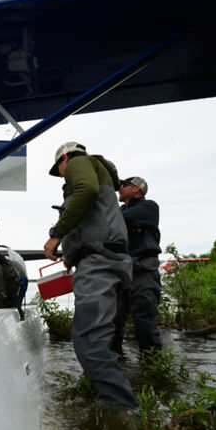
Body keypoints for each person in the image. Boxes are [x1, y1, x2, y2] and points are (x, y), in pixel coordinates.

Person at [43, 142, 139, 409]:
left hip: (98, 263)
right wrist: (74, 256)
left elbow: (87, 191)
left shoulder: (78, 163)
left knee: (88, 341)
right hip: (112, 260)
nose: (63, 174)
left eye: (59, 169)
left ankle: (122, 413)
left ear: (64, 158)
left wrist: (56, 237)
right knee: (104, 338)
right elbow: (96, 217)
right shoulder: (104, 173)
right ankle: (103, 394)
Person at [111, 176, 163, 355]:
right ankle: (115, 363)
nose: (119, 188)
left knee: (145, 322)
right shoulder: (120, 210)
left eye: (123, 185)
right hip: (120, 273)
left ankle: (152, 369)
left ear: (136, 189)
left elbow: (114, 219)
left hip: (143, 272)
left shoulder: (149, 207)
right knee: (113, 320)